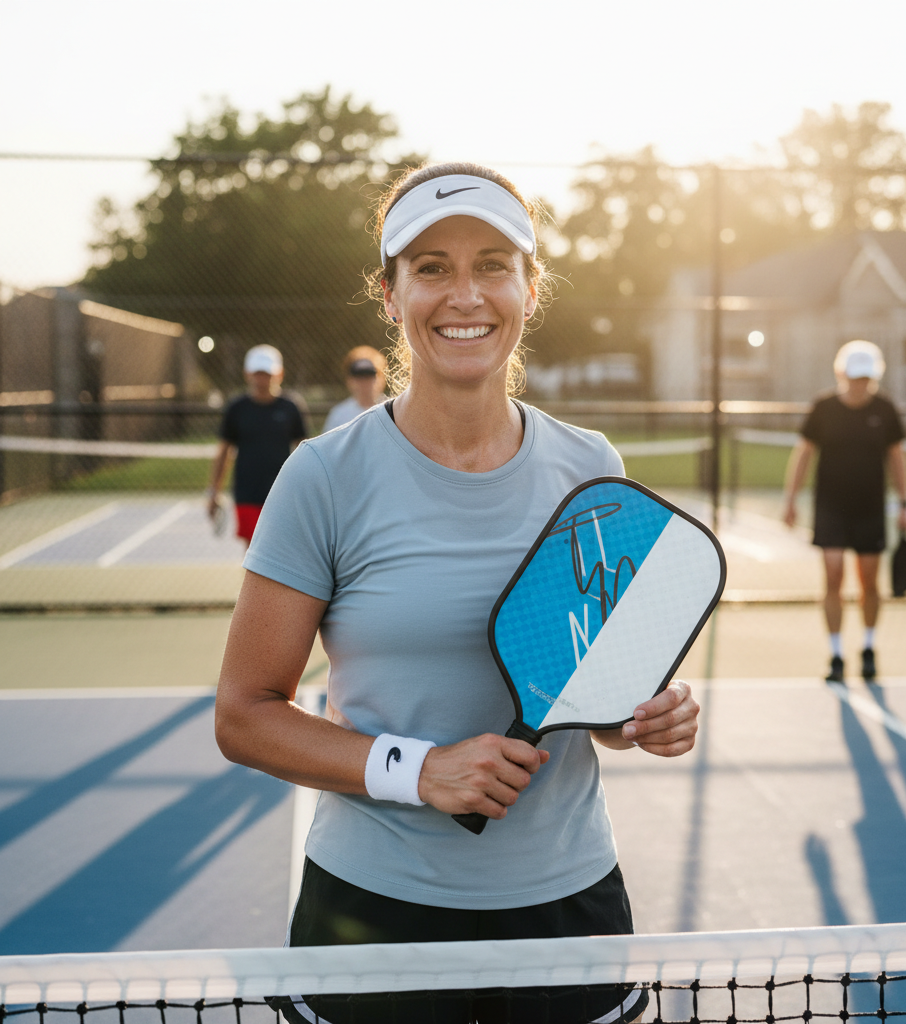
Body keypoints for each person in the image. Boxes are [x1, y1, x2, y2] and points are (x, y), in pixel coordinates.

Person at [214, 162, 700, 1024]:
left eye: (492, 264)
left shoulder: (594, 469)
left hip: (568, 908)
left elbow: (592, 690)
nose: (464, 293)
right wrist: (420, 771)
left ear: (529, 288)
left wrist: (636, 718)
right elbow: (245, 713)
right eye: (431, 266)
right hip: (371, 915)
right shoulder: (322, 477)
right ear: (391, 296)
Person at [782, 340, 906, 684]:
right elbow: (804, 454)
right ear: (842, 375)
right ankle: (836, 654)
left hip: (870, 510)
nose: (860, 384)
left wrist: (904, 504)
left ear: (874, 377)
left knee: (869, 581)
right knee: (834, 577)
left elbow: (898, 458)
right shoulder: (824, 408)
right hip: (830, 509)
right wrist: (791, 499)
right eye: (855, 377)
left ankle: (868, 647)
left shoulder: (885, 410)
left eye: (866, 378)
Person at [207, 344, 309, 547]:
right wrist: (214, 492)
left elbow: (304, 452)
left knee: (284, 550)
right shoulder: (237, 408)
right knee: (252, 552)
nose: (262, 379)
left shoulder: (291, 407)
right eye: (258, 374)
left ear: (279, 374)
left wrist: (307, 491)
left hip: (283, 493)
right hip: (247, 493)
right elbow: (224, 452)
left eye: (267, 374)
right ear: (247, 374)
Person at [322, 346, 387, 432]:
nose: (364, 383)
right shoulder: (339, 414)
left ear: (381, 377)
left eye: (369, 376)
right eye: (359, 377)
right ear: (349, 380)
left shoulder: (391, 410)